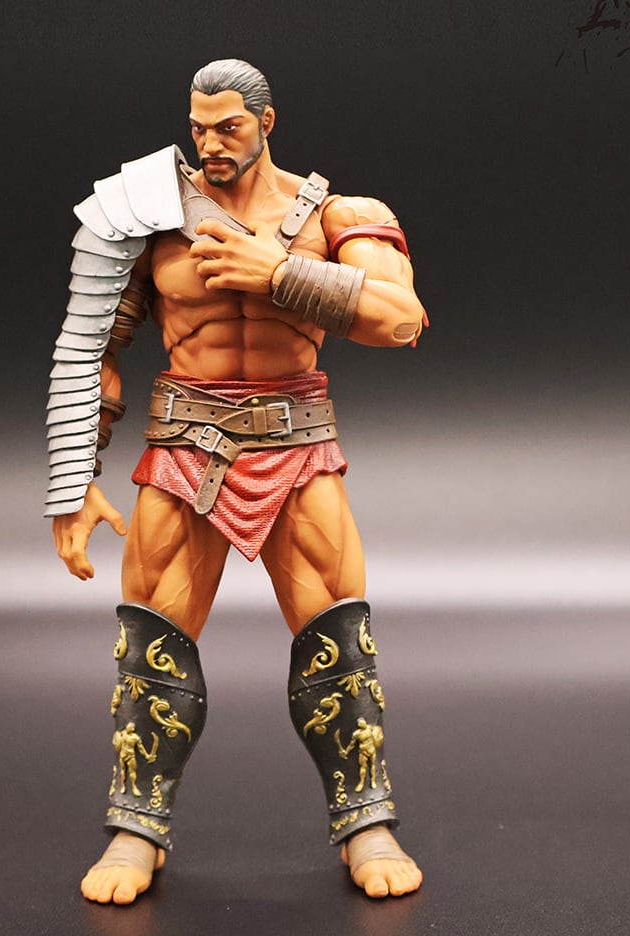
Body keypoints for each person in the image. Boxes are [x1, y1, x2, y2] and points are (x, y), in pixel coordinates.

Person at [45, 58, 427, 904]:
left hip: (297, 444)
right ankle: (135, 827)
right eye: (199, 127)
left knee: (339, 640)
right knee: (151, 644)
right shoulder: (148, 213)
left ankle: (367, 821)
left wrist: (279, 273)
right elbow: (90, 350)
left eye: (229, 127)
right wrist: (72, 482)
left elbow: (403, 321)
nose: (211, 144)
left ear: (267, 122)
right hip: (185, 444)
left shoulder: (337, 215)